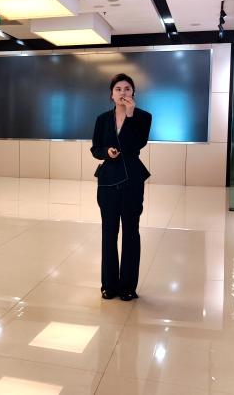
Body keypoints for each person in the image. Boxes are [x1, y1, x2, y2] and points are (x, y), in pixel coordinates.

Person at [91, 73, 151, 302]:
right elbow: (95, 148)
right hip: (107, 180)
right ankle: (108, 285)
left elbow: (136, 144)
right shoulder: (102, 119)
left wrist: (130, 115)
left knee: (131, 232)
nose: (123, 93)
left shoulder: (143, 117)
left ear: (133, 93)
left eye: (127, 89)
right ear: (111, 94)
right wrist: (106, 152)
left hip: (132, 178)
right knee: (109, 232)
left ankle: (127, 286)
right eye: (118, 89)